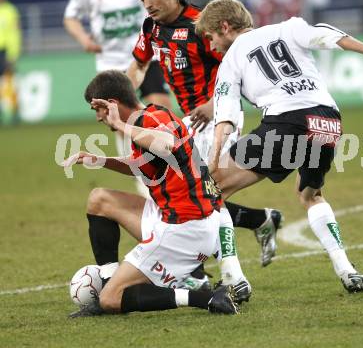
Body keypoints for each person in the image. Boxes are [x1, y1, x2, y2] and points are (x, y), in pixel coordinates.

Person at [195, 0, 363, 292]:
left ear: (225, 26)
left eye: (210, 37)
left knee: (211, 189)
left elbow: (225, 117)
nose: (211, 45)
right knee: (310, 193)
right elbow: (326, 35)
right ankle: (347, 271)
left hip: (286, 121)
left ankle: (233, 277)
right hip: (328, 121)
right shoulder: (288, 27)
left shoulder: (231, 60)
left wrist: (213, 161)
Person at [127, 0, 283, 285]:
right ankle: (258, 221)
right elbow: (139, 65)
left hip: (219, 115)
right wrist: (127, 103)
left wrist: (215, 104)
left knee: (206, 194)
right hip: (188, 123)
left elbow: (238, 69)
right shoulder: (150, 27)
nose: (147, 3)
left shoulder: (202, 26)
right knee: (186, 197)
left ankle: (231, 276)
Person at [65, 70, 239, 317]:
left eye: (98, 109)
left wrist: (119, 124)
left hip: (185, 228)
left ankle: (207, 298)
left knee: (111, 299)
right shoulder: (150, 116)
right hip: (178, 217)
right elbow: (141, 166)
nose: (97, 118)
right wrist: (99, 159)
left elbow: (165, 143)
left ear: (112, 104)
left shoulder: (149, 119)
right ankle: (109, 278)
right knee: (99, 199)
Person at [64, 0, 171, 194]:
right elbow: (70, 18)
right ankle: (138, 168)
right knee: (120, 116)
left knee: (161, 107)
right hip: (111, 65)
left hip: (145, 58)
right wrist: (83, 39)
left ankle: (165, 159)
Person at [0, 0, 21, 124]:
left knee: (9, 82)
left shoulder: (10, 11)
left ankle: (14, 113)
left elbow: (15, 33)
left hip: (5, 51)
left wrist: (13, 54)